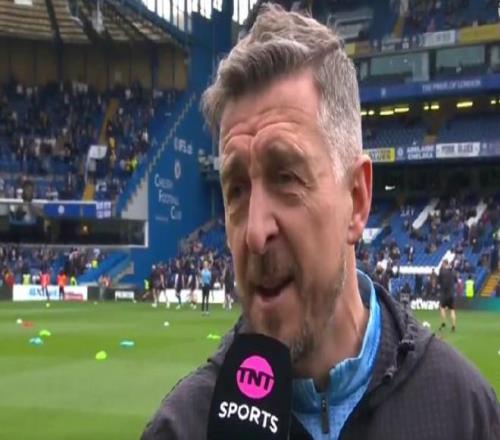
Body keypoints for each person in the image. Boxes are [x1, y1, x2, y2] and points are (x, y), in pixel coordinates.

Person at [141, 5, 499, 440]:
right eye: (236, 189)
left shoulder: (464, 414)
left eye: (286, 178)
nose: (255, 232)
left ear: (357, 199)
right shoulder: (183, 428)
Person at [438, 259, 457, 332]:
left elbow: (439, 281)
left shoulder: (442, 272)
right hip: (451, 294)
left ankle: (443, 323)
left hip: (444, 294)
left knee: (442, 308)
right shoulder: (453, 272)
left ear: (444, 264)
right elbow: (455, 280)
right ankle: (453, 326)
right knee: (452, 310)